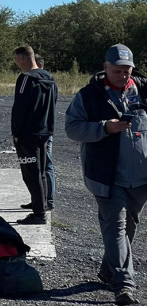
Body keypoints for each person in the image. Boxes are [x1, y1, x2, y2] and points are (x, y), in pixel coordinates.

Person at [66, 43, 147, 306]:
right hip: (106, 177)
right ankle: (124, 288)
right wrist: (105, 128)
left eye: (127, 70)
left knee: (130, 226)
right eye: (117, 70)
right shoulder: (89, 96)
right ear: (105, 68)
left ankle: (107, 270)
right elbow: (72, 129)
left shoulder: (144, 90)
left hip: (141, 178)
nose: (123, 75)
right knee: (116, 228)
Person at [11, 45, 58, 225]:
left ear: (23, 58)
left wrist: (16, 132)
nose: (17, 64)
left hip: (28, 134)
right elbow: (54, 104)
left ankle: (39, 214)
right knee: (42, 172)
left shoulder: (26, 79)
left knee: (31, 173)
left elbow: (19, 108)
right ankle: (40, 203)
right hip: (45, 131)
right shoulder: (50, 78)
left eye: (17, 60)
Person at [24, 53, 56, 212]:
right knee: (40, 167)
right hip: (46, 129)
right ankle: (39, 199)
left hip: (40, 130)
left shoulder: (40, 79)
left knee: (45, 166)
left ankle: (48, 200)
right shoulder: (50, 80)